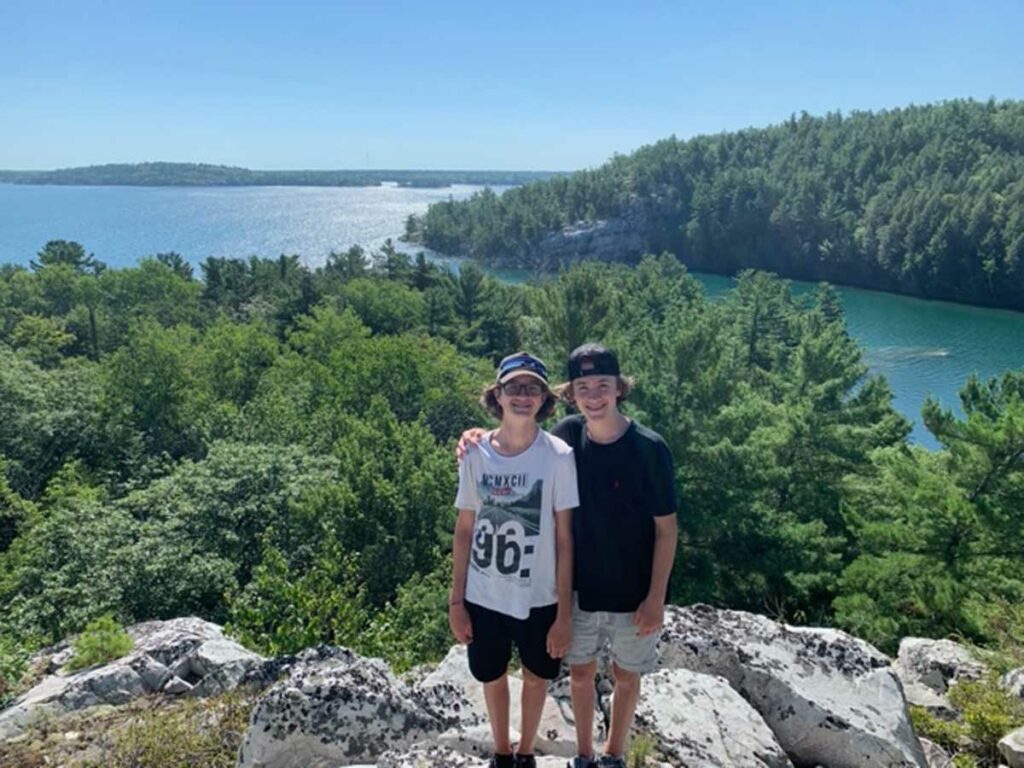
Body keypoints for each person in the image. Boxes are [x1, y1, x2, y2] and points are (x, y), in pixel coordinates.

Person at [459, 343, 677, 768]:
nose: (593, 396)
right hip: (578, 590)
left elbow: (666, 531)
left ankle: (613, 755)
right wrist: (471, 438)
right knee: (579, 673)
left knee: (625, 676)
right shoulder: (569, 437)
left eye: (602, 385)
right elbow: (514, 439)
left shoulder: (650, 449)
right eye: (583, 387)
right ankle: (582, 755)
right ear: (571, 394)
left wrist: (656, 598)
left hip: (634, 593)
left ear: (619, 388)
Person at [449, 351, 578, 768]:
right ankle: (502, 751)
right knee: (492, 674)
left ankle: (526, 753)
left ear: (544, 399)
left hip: (538, 596)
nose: (523, 396)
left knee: (537, 674)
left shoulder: (558, 455)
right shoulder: (474, 453)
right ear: (498, 395)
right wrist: (456, 602)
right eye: (513, 387)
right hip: (484, 594)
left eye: (532, 388)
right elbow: (465, 529)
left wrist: (563, 614)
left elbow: (564, 538)